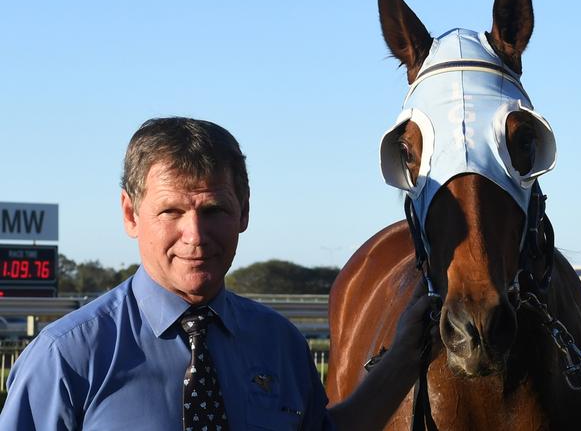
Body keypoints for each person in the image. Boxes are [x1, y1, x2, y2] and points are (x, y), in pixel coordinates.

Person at [0, 117, 439, 430]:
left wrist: (404, 356)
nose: (195, 235)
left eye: (214, 210)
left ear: (244, 212)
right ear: (131, 214)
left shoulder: (281, 346)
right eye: (171, 211)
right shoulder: (65, 358)